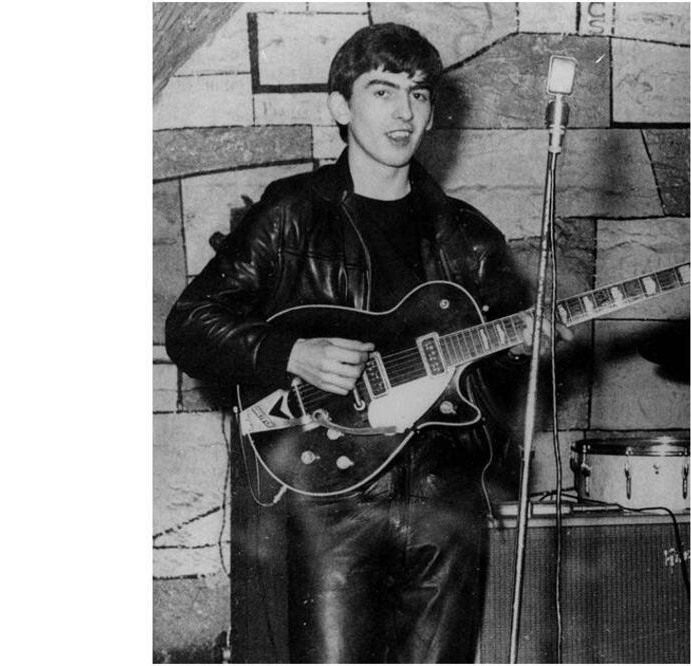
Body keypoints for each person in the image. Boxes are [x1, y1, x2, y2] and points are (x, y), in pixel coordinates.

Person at [166, 22, 567, 663]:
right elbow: (190, 327)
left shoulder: (465, 233)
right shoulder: (291, 211)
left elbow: (503, 374)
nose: (404, 112)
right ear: (341, 105)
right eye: (382, 92)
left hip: (444, 501)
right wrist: (291, 353)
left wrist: (527, 349)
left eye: (419, 94)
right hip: (332, 505)